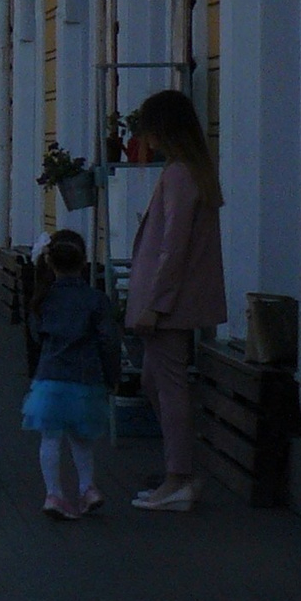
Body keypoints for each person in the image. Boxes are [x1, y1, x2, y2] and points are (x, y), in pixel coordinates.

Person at [124, 88, 226, 512]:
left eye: (149, 131)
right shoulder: (189, 171)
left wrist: (155, 304)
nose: (146, 140)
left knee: (168, 388)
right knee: (157, 382)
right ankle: (177, 472)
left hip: (168, 305)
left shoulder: (180, 174)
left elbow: (174, 246)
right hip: (174, 301)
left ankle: (178, 477)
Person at [24, 229, 120, 517]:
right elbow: (109, 341)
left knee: (50, 438)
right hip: (86, 379)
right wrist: (112, 376)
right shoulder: (96, 300)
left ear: (50, 263)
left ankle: (53, 494)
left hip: (50, 379)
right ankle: (87, 488)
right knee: (82, 438)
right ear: (85, 262)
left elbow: (36, 337)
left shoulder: (43, 299)